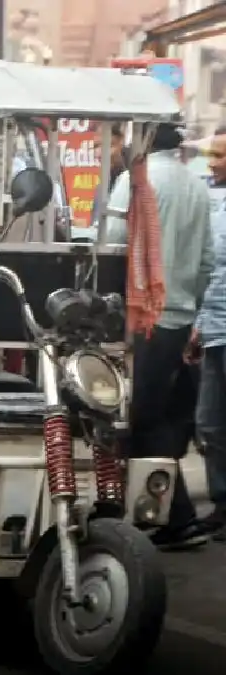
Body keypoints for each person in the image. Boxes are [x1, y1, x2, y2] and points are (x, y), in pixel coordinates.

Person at [106, 123, 216, 550]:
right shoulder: (195, 185)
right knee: (162, 419)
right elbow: (207, 259)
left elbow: (114, 245)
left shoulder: (135, 178)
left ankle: (173, 517)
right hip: (179, 317)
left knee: (134, 419)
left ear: (145, 141)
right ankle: (172, 517)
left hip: (141, 317)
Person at [190, 131, 226, 540]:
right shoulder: (211, 201)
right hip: (214, 327)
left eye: (219, 156)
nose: (211, 163)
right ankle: (222, 502)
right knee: (210, 425)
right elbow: (209, 270)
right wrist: (200, 325)